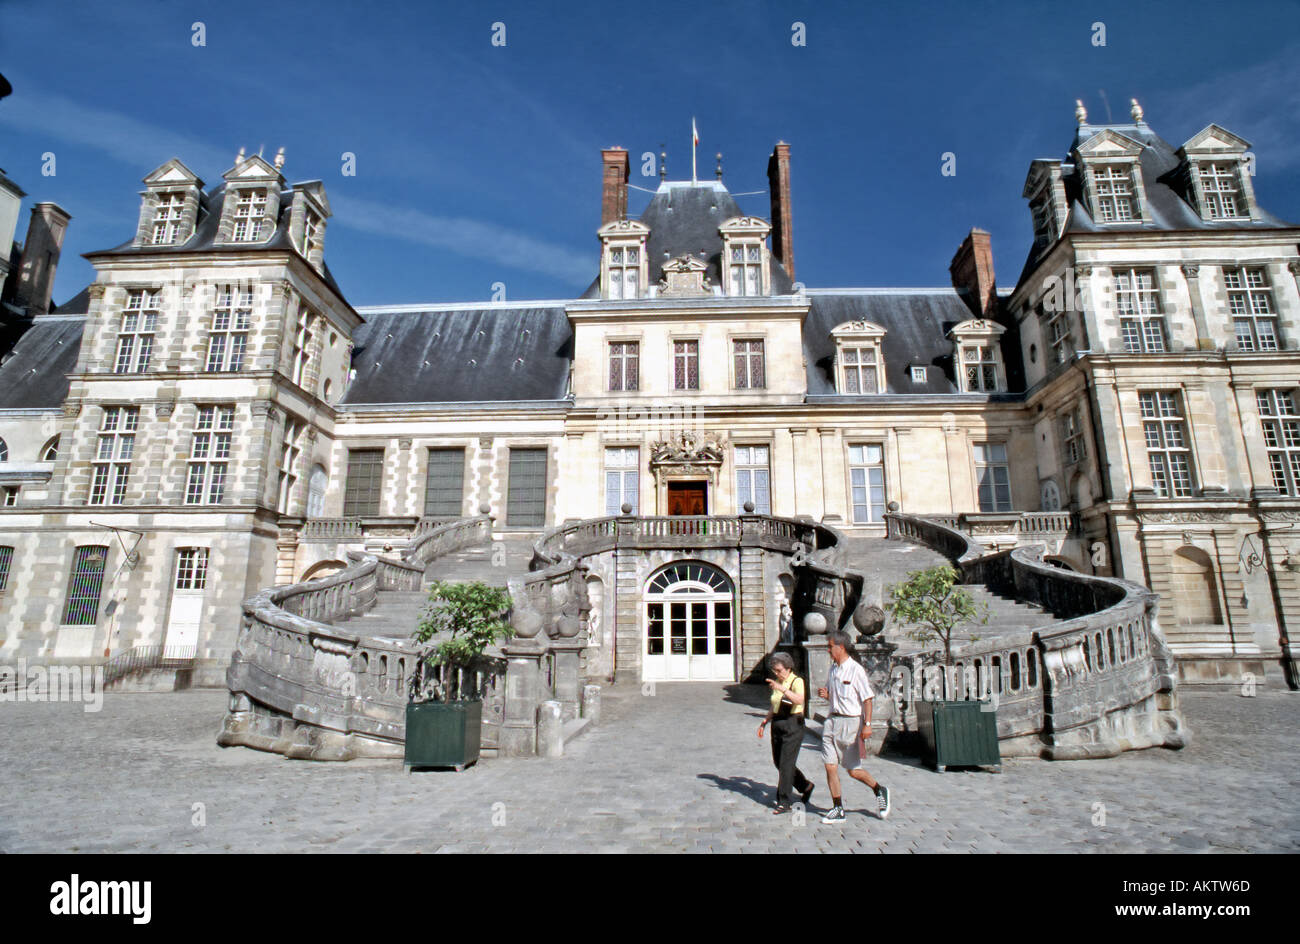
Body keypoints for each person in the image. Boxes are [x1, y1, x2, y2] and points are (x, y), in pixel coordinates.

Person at [817, 630, 890, 823]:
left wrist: (867, 725)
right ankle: (838, 808)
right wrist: (827, 695)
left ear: (840, 647)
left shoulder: (855, 670)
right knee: (830, 766)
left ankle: (879, 789)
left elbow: (867, 699)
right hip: (831, 721)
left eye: (830, 646)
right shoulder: (833, 669)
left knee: (852, 770)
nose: (828, 650)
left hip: (851, 722)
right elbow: (834, 694)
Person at [757, 652, 815, 814]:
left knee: (786, 763)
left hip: (793, 723)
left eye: (779, 670)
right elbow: (774, 704)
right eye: (774, 671)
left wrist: (782, 688)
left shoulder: (797, 681)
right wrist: (765, 721)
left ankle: (784, 801)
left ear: (788, 668)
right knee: (778, 762)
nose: (777, 674)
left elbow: (799, 700)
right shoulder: (776, 682)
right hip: (778, 722)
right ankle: (805, 786)